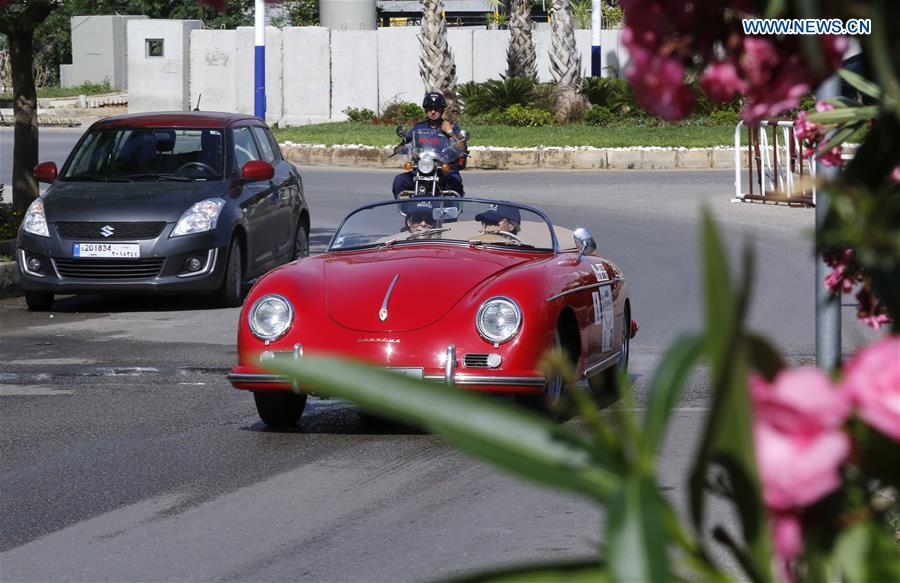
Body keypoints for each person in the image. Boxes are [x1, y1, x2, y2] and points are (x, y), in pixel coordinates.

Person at [392, 92, 468, 198]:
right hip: (422, 167)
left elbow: (462, 148)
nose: (433, 112)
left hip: (443, 168)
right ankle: (405, 207)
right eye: (429, 108)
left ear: (442, 109)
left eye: (436, 108)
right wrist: (399, 148)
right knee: (399, 181)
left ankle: (454, 208)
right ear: (425, 109)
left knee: (455, 181)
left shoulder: (451, 126)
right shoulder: (418, 128)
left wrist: (450, 132)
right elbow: (406, 142)